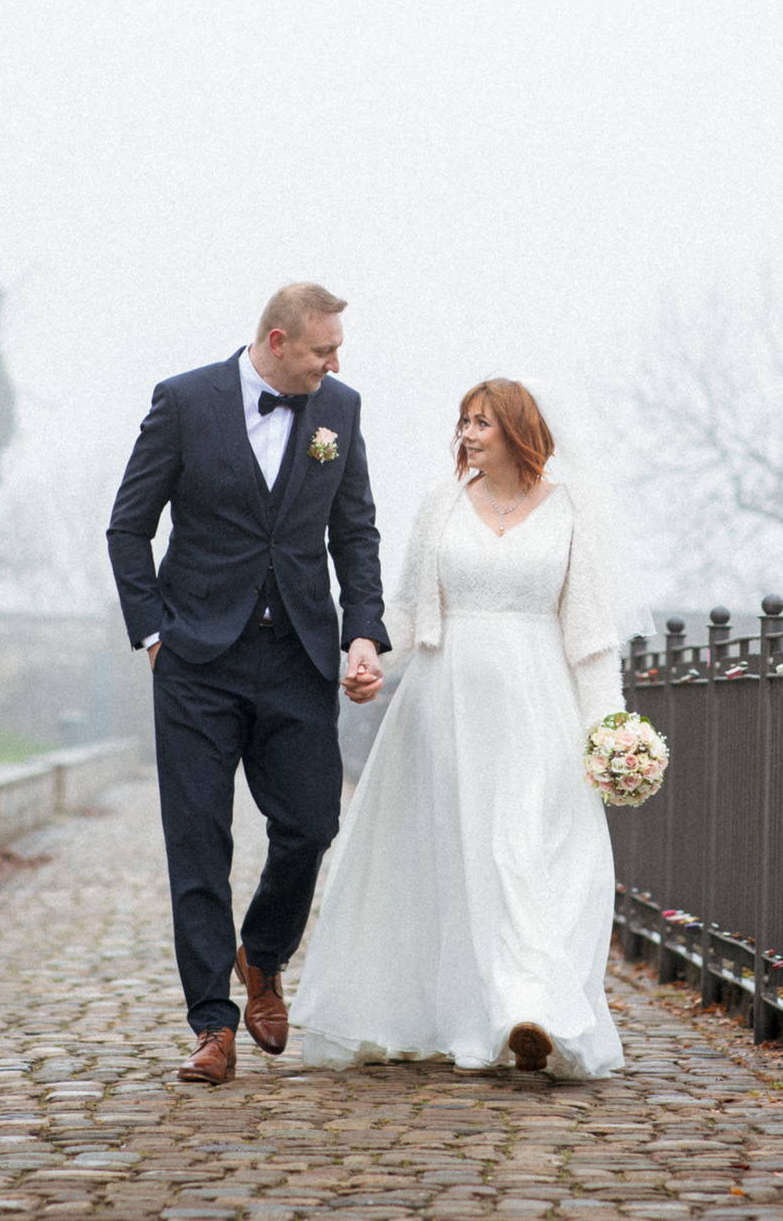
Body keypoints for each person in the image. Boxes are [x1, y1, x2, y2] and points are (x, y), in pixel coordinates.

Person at [293, 377, 630, 1078]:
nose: (469, 433)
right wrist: (367, 659)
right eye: (465, 421)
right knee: (465, 859)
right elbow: (412, 610)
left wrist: (610, 730)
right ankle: (479, 1010)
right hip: (445, 708)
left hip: (539, 706)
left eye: (484, 422)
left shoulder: (572, 510)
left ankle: (529, 1010)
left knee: (527, 852)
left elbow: (591, 635)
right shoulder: (441, 505)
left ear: (518, 430)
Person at [105, 282, 388, 1085]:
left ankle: (261, 955)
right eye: (322, 350)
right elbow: (130, 523)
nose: (335, 363)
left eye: (337, 351)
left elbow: (355, 530)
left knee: (309, 823)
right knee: (198, 839)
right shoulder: (185, 401)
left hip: (297, 653)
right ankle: (211, 1024)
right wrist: (153, 632)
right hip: (196, 661)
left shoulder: (340, 408)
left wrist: (361, 631)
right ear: (275, 340)